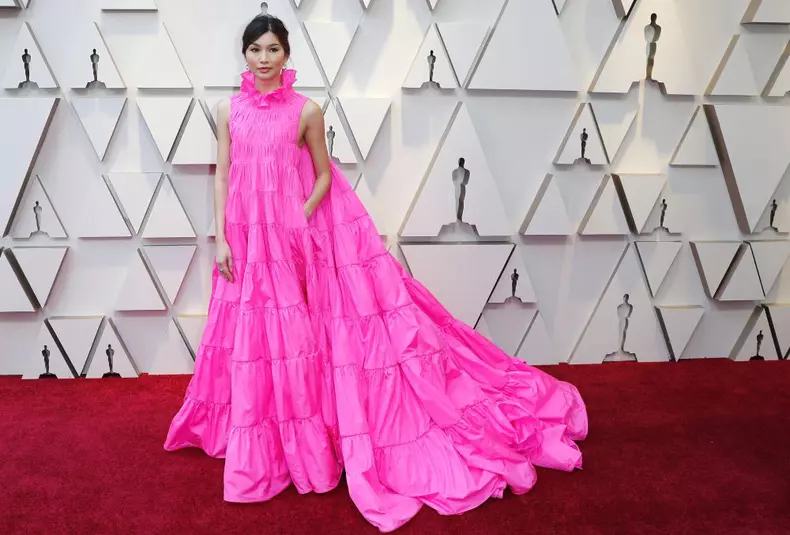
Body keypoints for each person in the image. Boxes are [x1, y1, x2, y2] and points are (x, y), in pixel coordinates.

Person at [163, 14, 587, 533]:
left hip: (294, 240)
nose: (264, 59)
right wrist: (224, 237)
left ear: (287, 54)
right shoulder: (227, 110)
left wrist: (300, 216)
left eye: (273, 49)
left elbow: (322, 174)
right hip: (247, 237)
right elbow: (224, 173)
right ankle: (261, 437)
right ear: (245, 55)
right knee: (255, 334)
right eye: (255, 49)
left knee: (300, 337)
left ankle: (306, 442)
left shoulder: (306, 111)